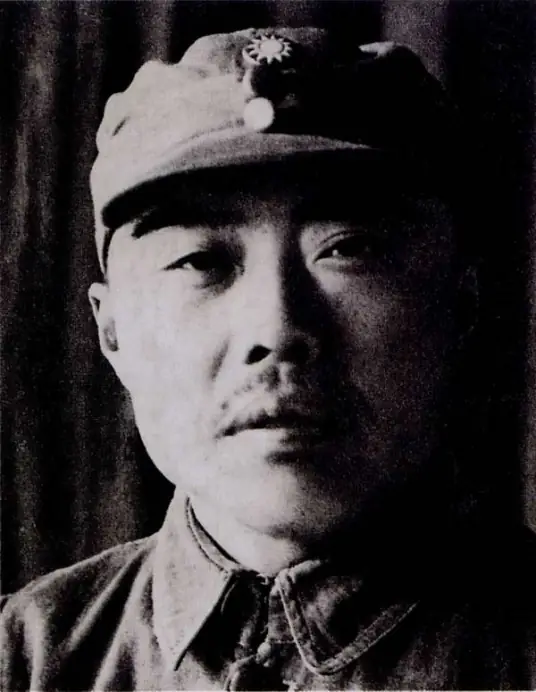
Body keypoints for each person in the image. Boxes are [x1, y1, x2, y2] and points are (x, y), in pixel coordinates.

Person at [2, 26, 536, 691]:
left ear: (461, 308)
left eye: (349, 249)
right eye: (200, 261)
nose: (277, 329)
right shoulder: (22, 662)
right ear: (113, 333)